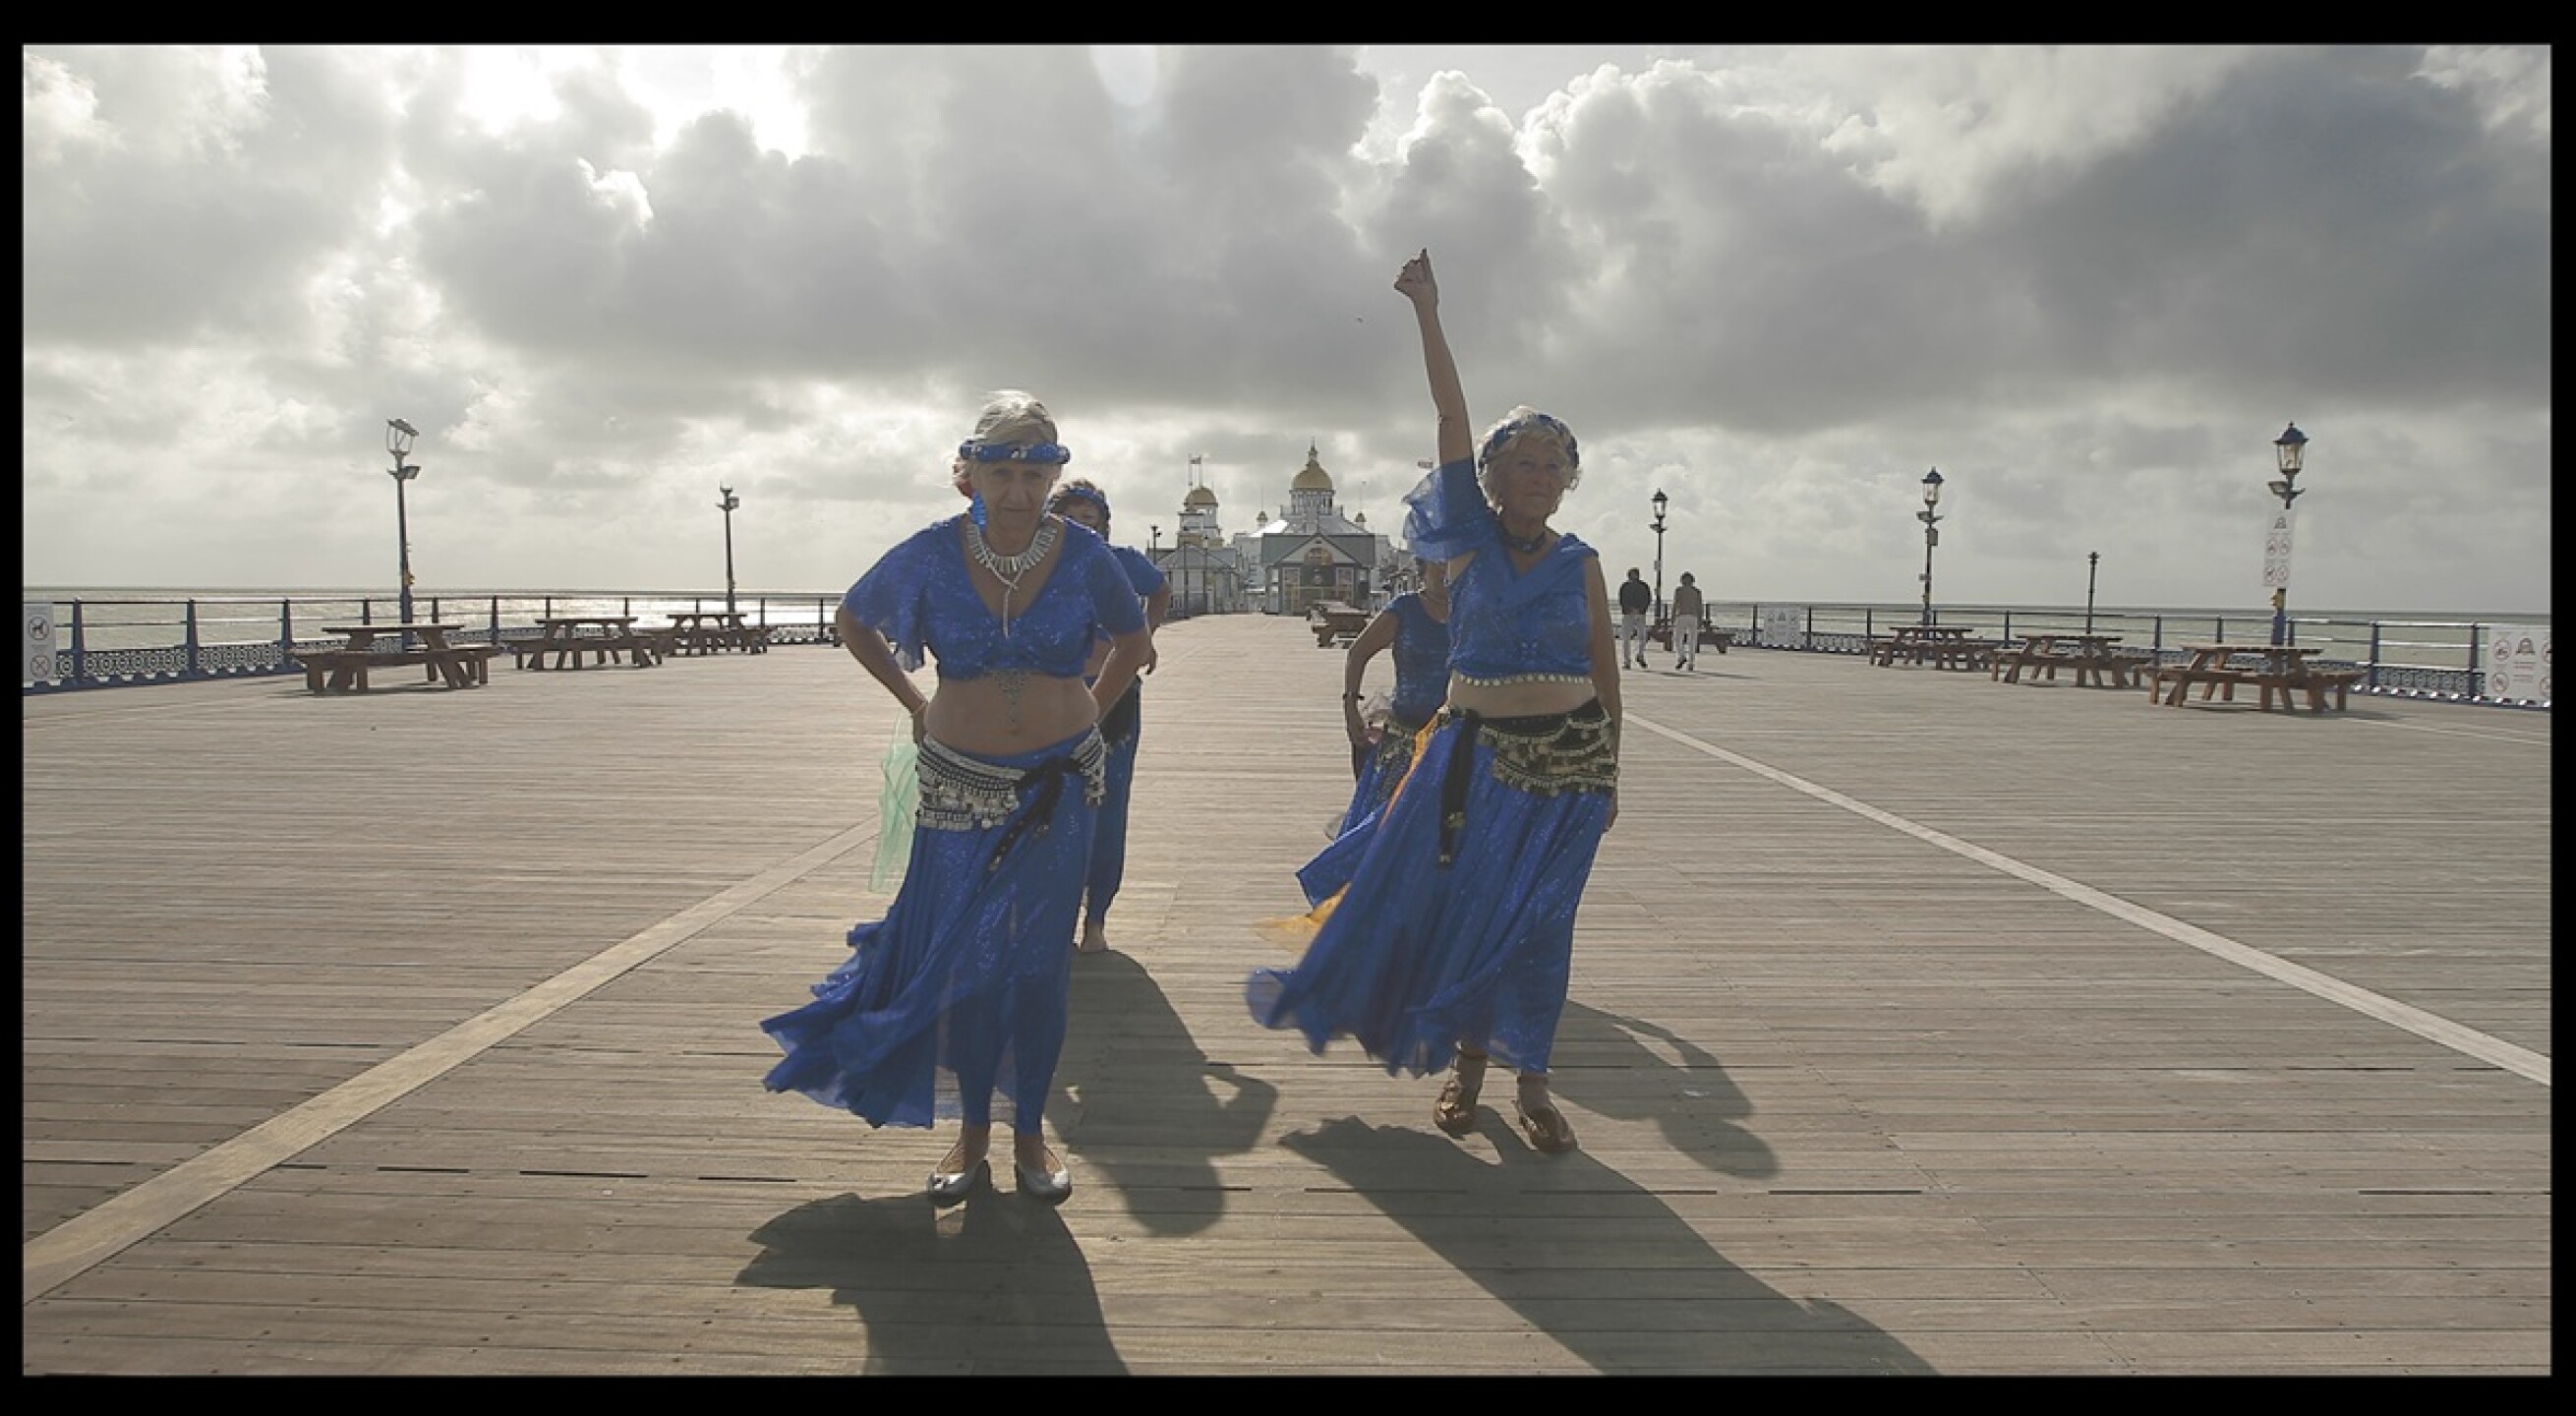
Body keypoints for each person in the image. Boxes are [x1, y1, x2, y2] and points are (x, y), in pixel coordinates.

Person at [1248, 249, 1619, 1155]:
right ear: (1488, 479)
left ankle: (1532, 1081)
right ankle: (1467, 1068)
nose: (1536, 474)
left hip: (1571, 767)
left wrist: (1612, 776)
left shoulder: (1583, 565)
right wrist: (1427, 310)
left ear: (1568, 480)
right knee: (1469, 911)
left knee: (1543, 925)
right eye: (1520, 462)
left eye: (1552, 464)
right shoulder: (1462, 545)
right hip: (1476, 762)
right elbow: (1451, 414)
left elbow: (1609, 675)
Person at [761, 391, 1153, 1207]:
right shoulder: (931, 554)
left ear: (1052, 479)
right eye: (1000, 472)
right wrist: (916, 707)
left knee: (1039, 966)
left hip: (1059, 785)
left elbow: (1134, 641)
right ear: (968, 476)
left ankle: (1031, 1131)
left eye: (1033, 474)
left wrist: (1092, 720)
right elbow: (854, 621)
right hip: (957, 781)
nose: (1016, 491)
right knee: (966, 959)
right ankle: (972, 1131)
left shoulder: (1084, 555)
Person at [1046, 479, 1171, 955]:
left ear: (1103, 524)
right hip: (1051, 695)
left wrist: (1145, 636)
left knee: (1107, 804)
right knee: (1047, 804)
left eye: (1089, 520)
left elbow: (1158, 591)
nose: (1080, 528)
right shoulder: (1038, 567)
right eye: (1068, 518)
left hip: (1112, 694)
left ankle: (1096, 916)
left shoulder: (1118, 561)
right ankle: (1050, 912)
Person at [1616, 568, 1652, 669]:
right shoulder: (1626, 586)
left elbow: (1647, 599)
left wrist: (1640, 609)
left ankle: (1639, 655)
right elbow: (1622, 600)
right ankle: (1627, 660)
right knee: (1626, 638)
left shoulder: (1643, 586)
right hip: (1630, 613)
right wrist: (1630, 609)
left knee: (1642, 637)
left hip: (1638, 613)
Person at [1669, 571, 1705, 671]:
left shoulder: (1679, 591)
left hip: (1682, 615)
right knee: (1692, 641)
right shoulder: (1697, 591)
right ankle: (1691, 663)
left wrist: (1672, 617)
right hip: (1693, 616)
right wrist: (1701, 619)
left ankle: (1681, 656)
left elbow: (1676, 604)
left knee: (1677, 639)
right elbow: (1700, 606)